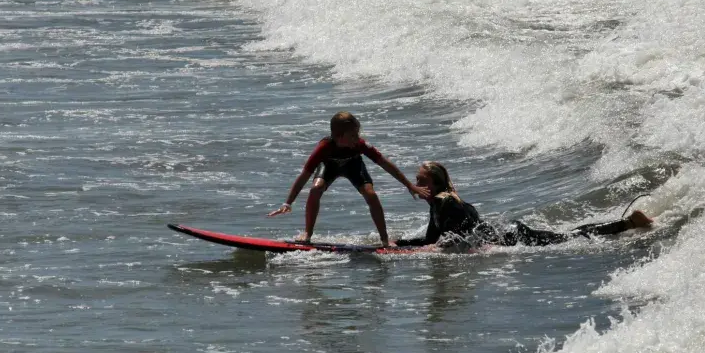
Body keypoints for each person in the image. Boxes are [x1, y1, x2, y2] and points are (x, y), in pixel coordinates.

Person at [395, 161, 653, 248]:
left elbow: (453, 241)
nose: (415, 185)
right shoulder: (439, 204)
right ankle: (628, 222)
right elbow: (432, 241)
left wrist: (393, 246)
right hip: (509, 234)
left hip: (513, 239)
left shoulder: (444, 202)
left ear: (434, 183)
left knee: (572, 236)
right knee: (569, 234)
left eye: (420, 180)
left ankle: (629, 222)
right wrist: (397, 244)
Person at [268, 112, 429, 246]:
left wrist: (408, 185)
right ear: (338, 136)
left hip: (354, 166)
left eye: (357, 134)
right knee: (316, 188)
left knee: (371, 195)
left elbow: (385, 164)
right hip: (329, 166)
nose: (357, 138)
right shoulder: (324, 148)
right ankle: (307, 234)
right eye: (353, 135)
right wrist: (287, 203)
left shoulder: (359, 145)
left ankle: (385, 240)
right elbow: (304, 175)